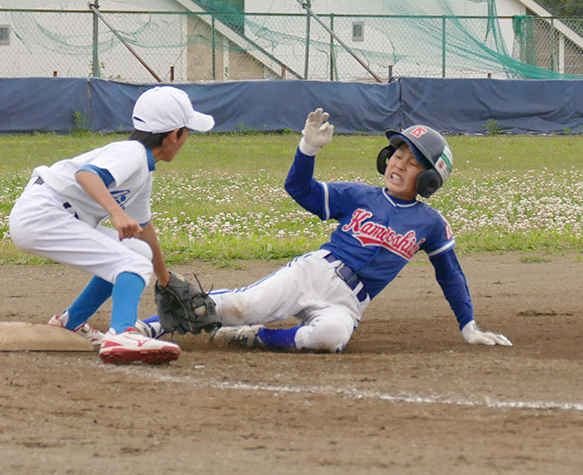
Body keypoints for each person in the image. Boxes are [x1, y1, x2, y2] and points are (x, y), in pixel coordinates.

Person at [137, 109, 511, 352]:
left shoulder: (430, 223)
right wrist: (307, 150)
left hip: (348, 302)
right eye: (397, 155)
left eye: (412, 163)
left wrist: (468, 326)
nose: (398, 164)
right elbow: (300, 189)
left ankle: (256, 336)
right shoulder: (361, 195)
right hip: (313, 273)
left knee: (330, 338)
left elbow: (451, 274)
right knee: (241, 306)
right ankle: (146, 329)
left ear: (429, 180)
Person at [8, 86, 215, 364]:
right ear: (174, 134)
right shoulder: (131, 153)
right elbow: (87, 175)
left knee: (138, 253)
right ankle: (122, 333)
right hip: (43, 213)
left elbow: (144, 229)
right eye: (187, 132)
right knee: (132, 263)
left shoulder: (142, 171)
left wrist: (165, 278)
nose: (186, 139)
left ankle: (71, 322)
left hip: (53, 215)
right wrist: (116, 213)